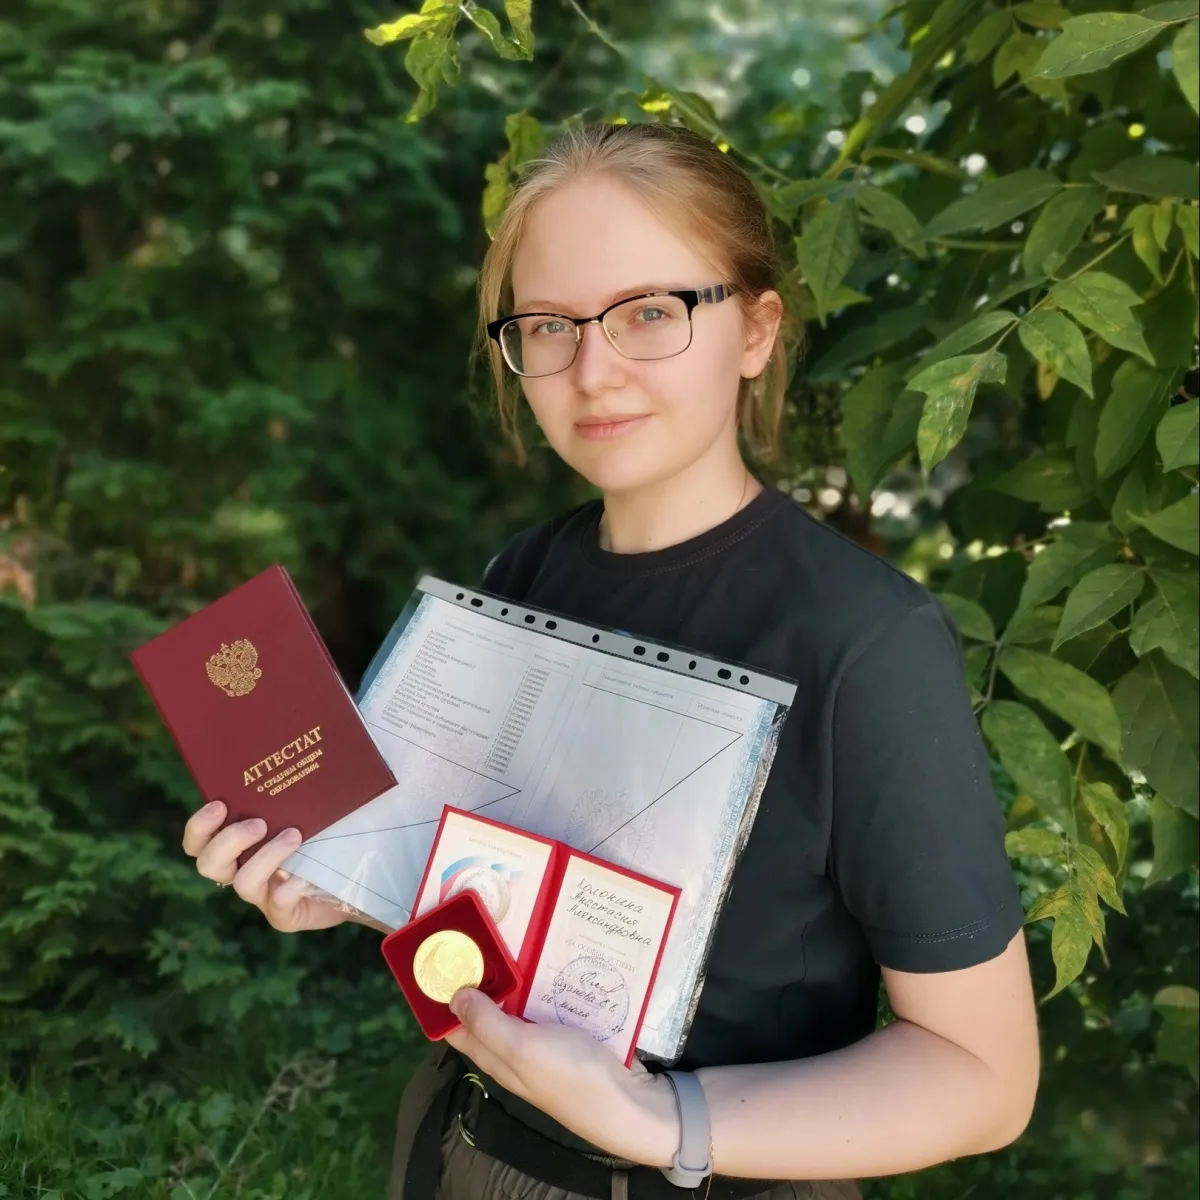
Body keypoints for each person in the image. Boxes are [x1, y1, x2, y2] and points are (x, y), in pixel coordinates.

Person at [183, 122, 1040, 1200]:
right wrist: (350, 888)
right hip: (458, 1149)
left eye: (649, 312)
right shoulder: (520, 578)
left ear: (756, 329)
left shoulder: (865, 643)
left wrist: (656, 1119)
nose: (594, 372)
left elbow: (983, 1078)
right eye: (549, 325)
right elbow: (496, 887)